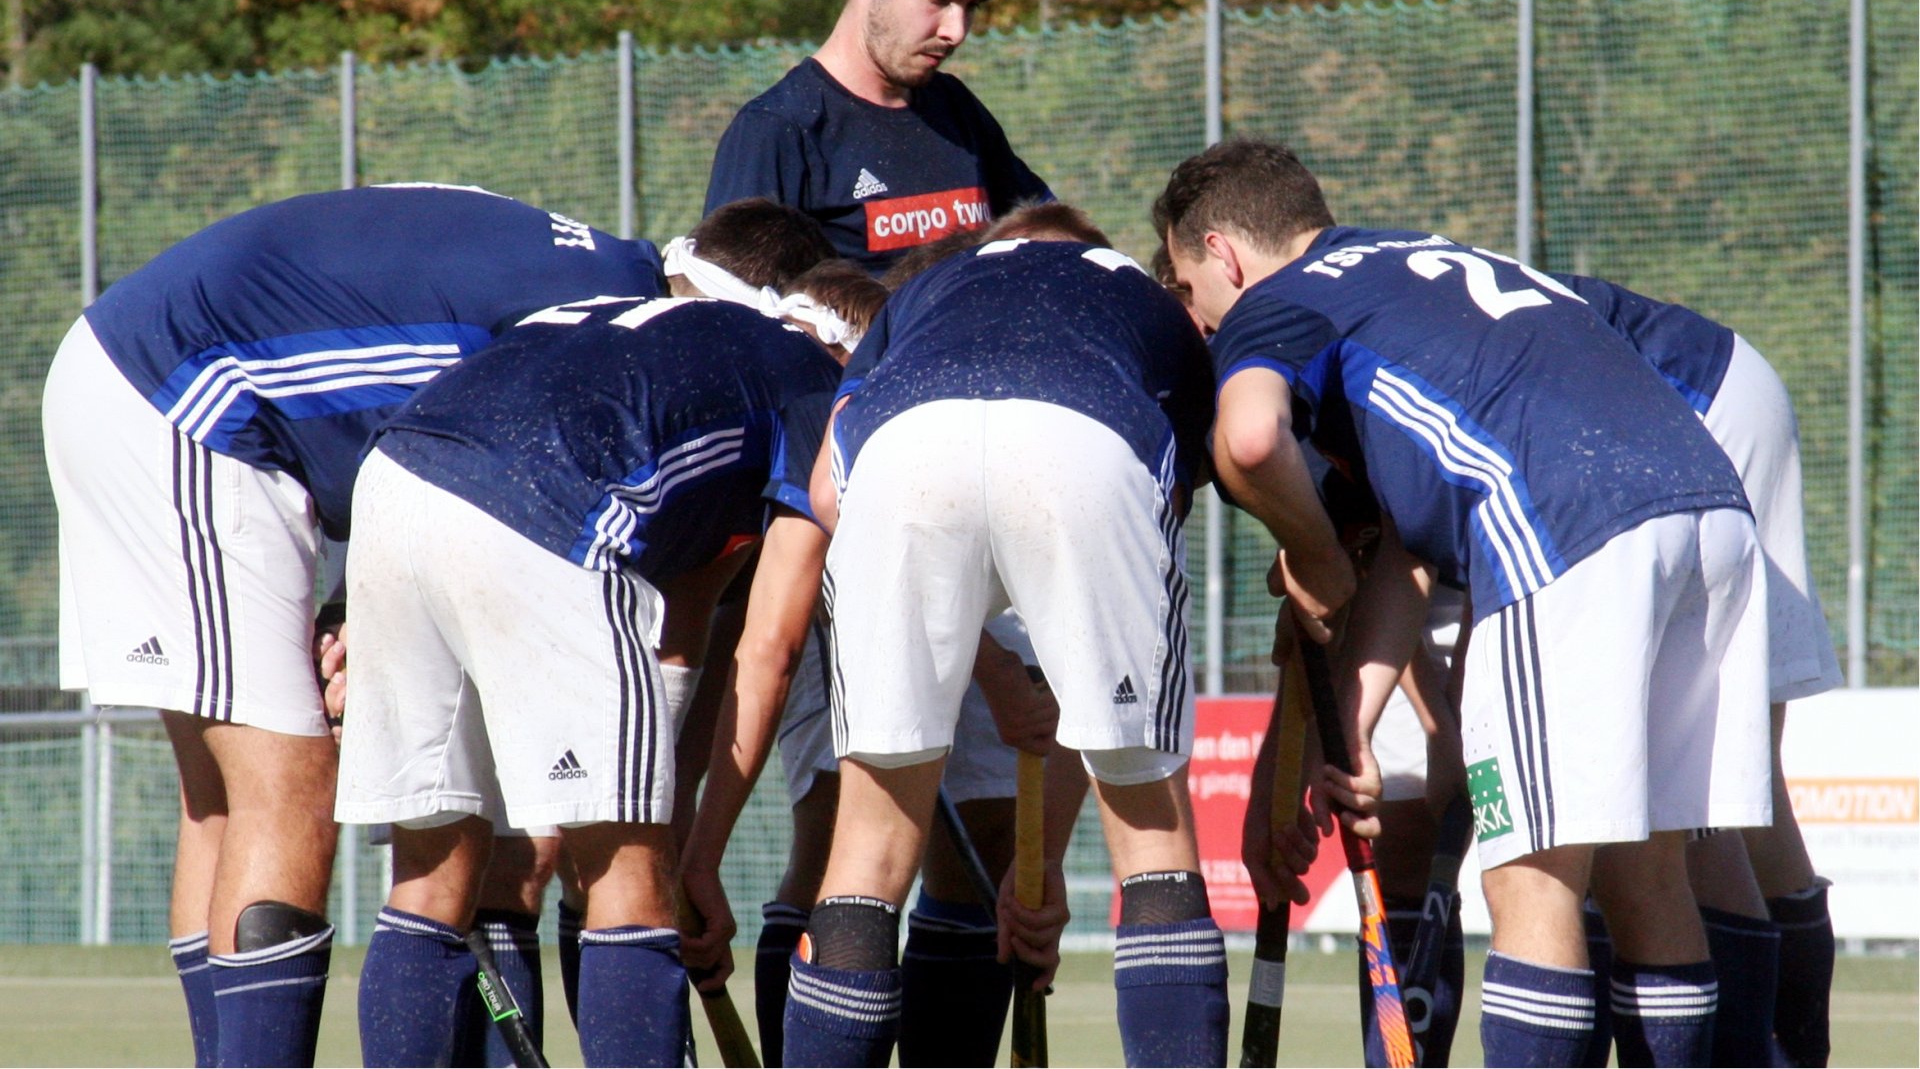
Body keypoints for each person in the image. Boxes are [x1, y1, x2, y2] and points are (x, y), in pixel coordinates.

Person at [1160, 138, 1772, 1067]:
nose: (1201, 322)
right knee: (1648, 868)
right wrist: (1352, 729)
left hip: (1568, 524)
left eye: (1187, 288)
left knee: (1532, 878)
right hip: (1708, 508)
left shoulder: (1277, 302)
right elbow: (1412, 546)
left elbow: (1248, 440)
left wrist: (1317, 556)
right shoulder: (1429, 265)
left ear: (1223, 253)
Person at [41, 183, 666, 1067]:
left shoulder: (588, 264)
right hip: (182, 395)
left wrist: (358, 605)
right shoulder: (608, 327)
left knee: (220, 797)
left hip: (144, 371)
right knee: (289, 782)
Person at [333, 270, 880, 1067]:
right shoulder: (818, 388)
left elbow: (685, 623)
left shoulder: (691, 339)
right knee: (627, 880)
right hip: (544, 504)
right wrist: (690, 860)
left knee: (428, 880)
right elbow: (769, 646)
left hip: (396, 481)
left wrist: (675, 814)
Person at [717, 222, 1223, 1067]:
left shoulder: (924, 293)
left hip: (900, 456)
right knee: (1154, 842)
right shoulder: (1150, 304)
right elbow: (1151, 519)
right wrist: (1048, 862)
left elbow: (825, 496)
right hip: (1089, 440)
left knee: (868, 852)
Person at [1550, 271, 1841, 1068]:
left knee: (1685, 796)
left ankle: (1764, 1052)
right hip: (1723, 391)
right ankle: (1795, 1052)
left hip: (1694, 412)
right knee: (1738, 793)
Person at [703, 0, 1050, 275]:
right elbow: (733, 319)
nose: (956, 31)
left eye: (971, 6)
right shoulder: (777, 130)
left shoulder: (957, 110)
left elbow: (1051, 240)